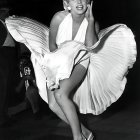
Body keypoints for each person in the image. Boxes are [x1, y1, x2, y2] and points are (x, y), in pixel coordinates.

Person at [5, 0, 137, 139]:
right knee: (53, 105)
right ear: (66, 4)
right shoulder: (58, 18)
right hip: (58, 60)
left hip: (81, 61)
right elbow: (52, 46)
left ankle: (77, 137)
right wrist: (58, 67)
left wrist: (90, 21)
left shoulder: (93, 24)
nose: (79, 2)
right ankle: (86, 133)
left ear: (89, 3)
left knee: (61, 95)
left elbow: (91, 47)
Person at [0, 7, 17, 127]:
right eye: (4, 11)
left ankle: (5, 115)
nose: (7, 13)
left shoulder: (8, 24)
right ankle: (2, 118)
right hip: (2, 54)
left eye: (7, 11)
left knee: (7, 86)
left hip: (10, 54)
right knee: (3, 86)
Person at [15, 54, 41, 119]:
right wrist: (23, 79)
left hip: (35, 98)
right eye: (21, 63)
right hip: (22, 100)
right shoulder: (15, 74)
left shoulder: (34, 71)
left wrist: (32, 79)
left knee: (30, 90)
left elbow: (40, 89)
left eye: (25, 63)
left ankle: (36, 112)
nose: (22, 65)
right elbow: (17, 91)